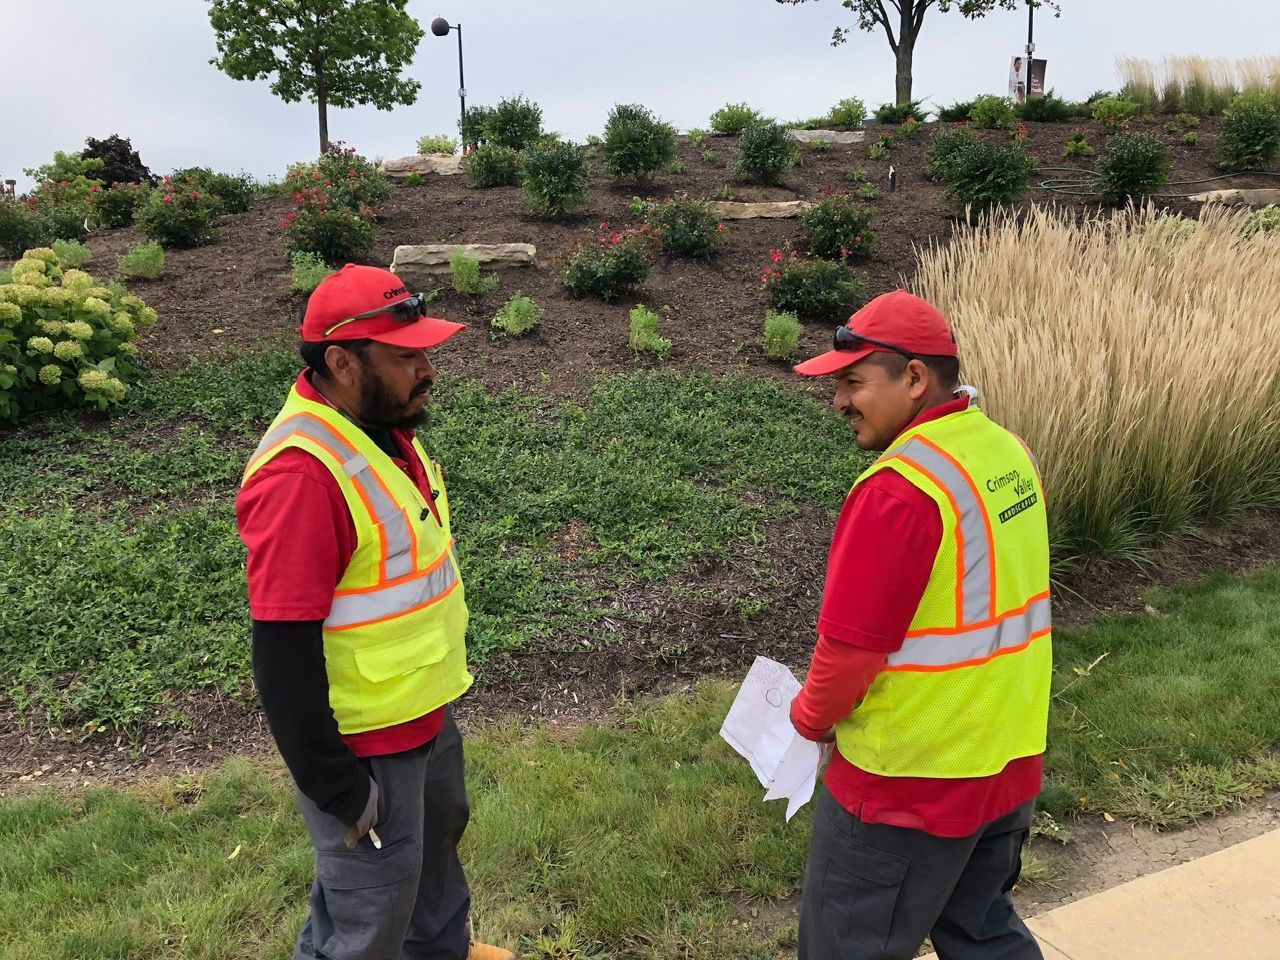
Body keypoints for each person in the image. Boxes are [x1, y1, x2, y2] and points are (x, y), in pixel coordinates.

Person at [237, 264, 514, 960]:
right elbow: (281, 651)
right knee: (370, 910)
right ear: (341, 363)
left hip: (423, 711)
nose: (428, 370)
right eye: (405, 357)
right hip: (367, 745)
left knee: (435, 861)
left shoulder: (381, 425)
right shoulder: (301, 476)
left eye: (426, 352)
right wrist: (337, 787)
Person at [789, 290, 1051, 960]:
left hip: (907, 784)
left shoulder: (896, 491)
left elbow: (847, 654)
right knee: (982, 932)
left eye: (854, 382)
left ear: (913, 378)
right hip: (1004, 759)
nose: (839, 402)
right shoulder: (1006, 452)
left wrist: (804, 723)